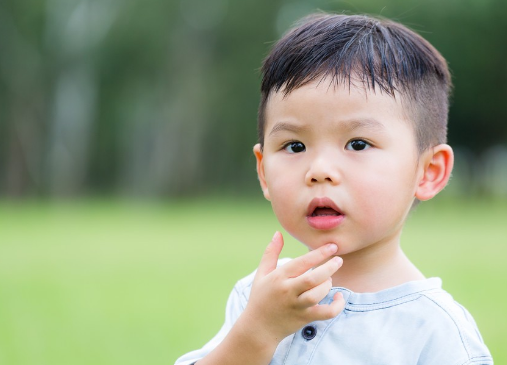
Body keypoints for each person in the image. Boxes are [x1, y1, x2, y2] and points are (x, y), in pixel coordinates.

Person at [175, 12, 493, 365]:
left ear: (428, 171)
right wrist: (257, 331)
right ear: (263, 171)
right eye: (295, 146)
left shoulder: (437, 332)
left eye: (357, 144)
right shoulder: (260, 295)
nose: (319, 170)